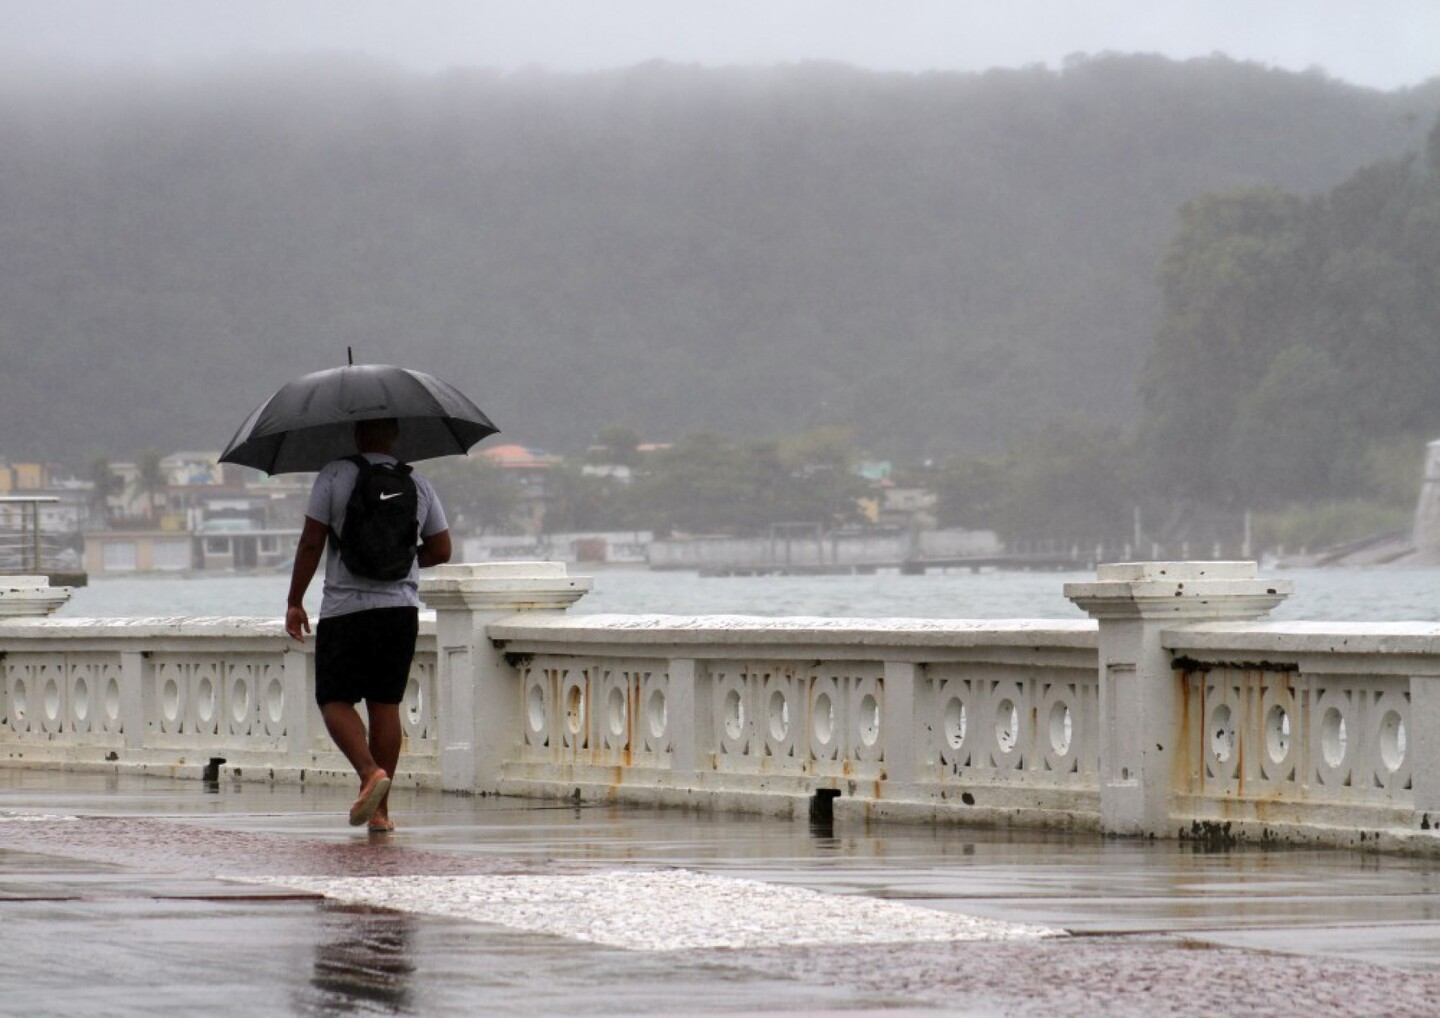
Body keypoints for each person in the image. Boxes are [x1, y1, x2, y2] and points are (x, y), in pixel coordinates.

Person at [284, 417, 451, 833]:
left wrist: (294, 600)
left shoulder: (335, 474)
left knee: (334, 698)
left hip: (346, 607)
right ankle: (380, 813)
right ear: (396, 434)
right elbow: (442, 549)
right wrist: (403, 561)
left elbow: (311, 540)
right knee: (385, 704)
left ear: (357, 433)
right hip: (399, 609)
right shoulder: (420, 483)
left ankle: (368, 774)